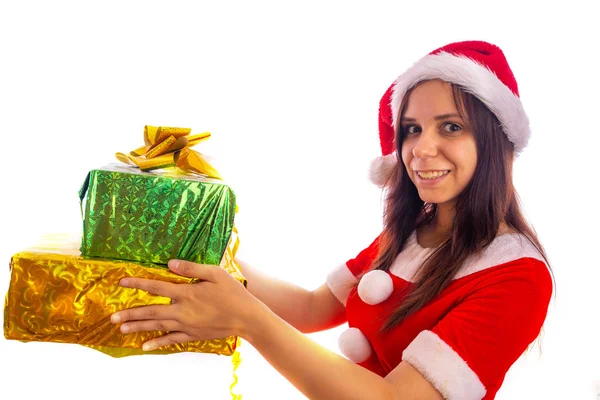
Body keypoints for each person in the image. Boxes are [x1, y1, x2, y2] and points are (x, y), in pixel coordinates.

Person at [110, 41, 554, 399]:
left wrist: (246, 319)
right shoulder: (413, 233)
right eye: (412, 129)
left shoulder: (518, 277)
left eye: (451, 127)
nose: (420, 148)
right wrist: (201, 246)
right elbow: (309, 309)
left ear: (498, 141)